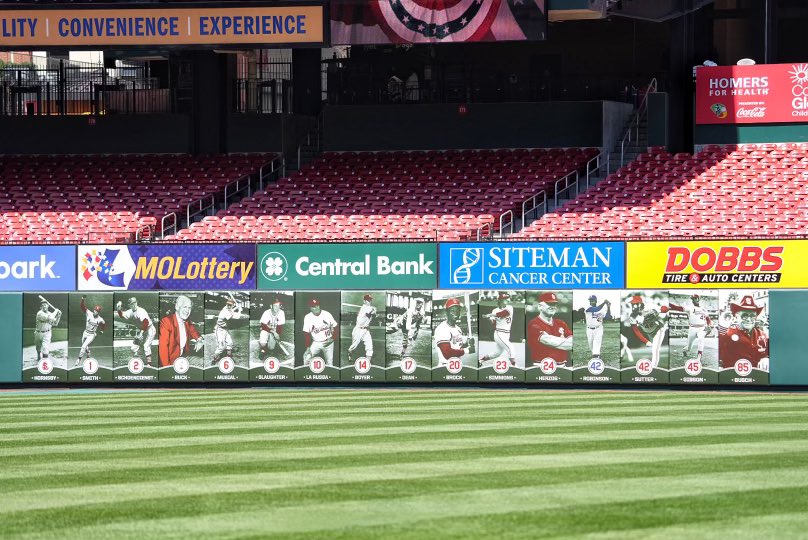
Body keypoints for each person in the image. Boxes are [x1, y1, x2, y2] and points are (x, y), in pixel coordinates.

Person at [719, 295, 769, 371]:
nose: (749, 319)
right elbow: (719, 353)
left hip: (758, 377)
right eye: (744, 316)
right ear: (736, 317)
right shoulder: (727, 333)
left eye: (752, 316)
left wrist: (766, 358)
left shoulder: (762, 334)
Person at [620, 295, 667, 368]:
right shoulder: (632, 316)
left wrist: (661, 310)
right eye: (632, 304)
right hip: (649, 333)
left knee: (655, 350)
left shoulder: (650, 308)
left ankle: (653, 367)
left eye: (634, 304)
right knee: (654, 349)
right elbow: (636, 331)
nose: (633, 306)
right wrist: (646, 341)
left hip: (658, 330)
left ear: (640, 304)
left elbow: (664, 311)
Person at [527, 292, 573, 367]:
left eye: (554, 304)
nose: (552, 307)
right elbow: (548, 341)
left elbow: (572, 344)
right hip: (540, 367)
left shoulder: (561, 323)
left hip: (562, 366)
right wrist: (564, 340)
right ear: (540, 306)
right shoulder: (534, 324)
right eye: (549, 304)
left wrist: (552, 341)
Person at [159, 295, 203, 367]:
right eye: (185, 307)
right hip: (171, 362)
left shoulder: (186, 321)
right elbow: (163, 349)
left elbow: (194, 332)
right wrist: (167, 369)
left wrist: (199, 340)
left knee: (202, 362)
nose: (187, 311)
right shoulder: (166, 322)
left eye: (189, 308)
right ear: (177, 307)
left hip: (183, 358)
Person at [669, 294, 712, 361]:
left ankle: (699, 357)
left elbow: (708, 319)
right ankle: (685, 350)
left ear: (698, 299)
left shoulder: (704, 309)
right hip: (692, 328)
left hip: (702, 328)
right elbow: (679, 308)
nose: (693, 300)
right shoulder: (690, 307)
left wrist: (709, 326)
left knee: (701, 339)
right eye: (692, 299)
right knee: (689, 347)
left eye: (695, 298)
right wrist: (669, 304)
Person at [115, 296, 156, 367]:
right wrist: (118, 309)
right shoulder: (130, 312)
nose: (134, 304)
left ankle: (149, 364)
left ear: (137, 302)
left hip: (150, 329)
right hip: (143, 330)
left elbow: (145, 322)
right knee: (133, 348)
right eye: (132, 303)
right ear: (129, 305)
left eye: (135, 302)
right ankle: (136, 361)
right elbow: (122, 315)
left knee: (146, 346)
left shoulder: (141, 311)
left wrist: (141, 334)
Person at [434, 298, 474, 367]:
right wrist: (467, 350)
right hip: (445, 367)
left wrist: (467, 344)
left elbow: (458, 347)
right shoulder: (442, 328)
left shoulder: (458, 328)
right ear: (446, 312)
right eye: (452, 310)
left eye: (458, 310)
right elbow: (447, 354)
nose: (456, 313)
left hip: (457, 366)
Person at [480, 292, 515, 366]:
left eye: (507, 298)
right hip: (499, 333)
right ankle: (514, 366)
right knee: (511, 348)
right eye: (505, 299)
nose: (507, 300)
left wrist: (490, 315)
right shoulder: (495, 310)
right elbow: (494, 324)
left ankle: (480, 360)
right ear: (500, 300)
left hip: (507, 334)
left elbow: (504, 313)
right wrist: (490, 319)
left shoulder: (509, 307)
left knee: (497, 353)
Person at [302, 298, 338, 366]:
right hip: (316, 342)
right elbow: (306, 333)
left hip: (328, 342)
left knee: (330, 363)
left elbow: (336, 327)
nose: (316, 308)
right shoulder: (307, 317)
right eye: (313, 306)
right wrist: (307, 347)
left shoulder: (327, 314)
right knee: (306, 358)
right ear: (310, 308)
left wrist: (333, 339)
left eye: (317, 305)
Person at [76, 296, 105, 367]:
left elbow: (104, 324)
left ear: (98, 312)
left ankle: (79, 359)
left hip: (91, 335)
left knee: (83, 346)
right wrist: (82, 299)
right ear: (93, 310)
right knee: (84, 346)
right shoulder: (89, 313)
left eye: (97, 311)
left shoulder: (100, 319)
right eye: (95, 310)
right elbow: (82, 306)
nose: (95, 312)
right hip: (85, 332)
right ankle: (88, 352)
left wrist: (102, 330)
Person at [213, 297, 243, 363]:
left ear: (232, 305)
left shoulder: (227, 308)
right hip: (219, 330)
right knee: (221, 347)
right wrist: (239, 310)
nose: (229, 306)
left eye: (230, 305)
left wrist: (236, 307)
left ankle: (229, 356)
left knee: (230, 343)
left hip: (225, 329)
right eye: (228, 304)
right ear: (226, 304)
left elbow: (231, 310)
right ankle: (215, 358)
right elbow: (237, 317)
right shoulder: (225, 312)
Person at [348, 294, 377, 363]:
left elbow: (374, 315)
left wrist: (374, 310)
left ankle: (367, 363)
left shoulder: (368, 307)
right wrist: (374, 310)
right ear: (364, 301)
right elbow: (371, 313)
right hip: (358, 330)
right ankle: (349, 352)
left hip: (366, 330)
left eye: (370, 300)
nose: (369, 302)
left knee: (369, 347)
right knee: (353, 347)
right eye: (367, 300)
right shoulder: (365, 308)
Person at [584, 295, 610, 363]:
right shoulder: (588, 308)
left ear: (596, 301)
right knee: (591, 345)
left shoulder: (601, 310)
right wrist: (604, 303)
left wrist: (609, 307)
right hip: (589, 329)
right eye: (590, 301)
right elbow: (596, 309)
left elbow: (608, 317)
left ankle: (596, 357)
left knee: (596, 343)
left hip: (598, 329)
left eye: (592, 300)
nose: (591, 302)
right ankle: (595, 355)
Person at [35, 298, 61, 364]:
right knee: (38, 347)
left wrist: (58, 316)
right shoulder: (40, 313)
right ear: (40, 307)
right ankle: (38, 355)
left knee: (45, 349)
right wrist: (56, 311)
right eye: (42, 305)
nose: (44, 306)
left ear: (48, 306)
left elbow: (55, 323)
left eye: (45, 305)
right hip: (38, 333)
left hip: (47, 333)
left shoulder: (50, 313)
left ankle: (44, 362)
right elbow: (50, 318)